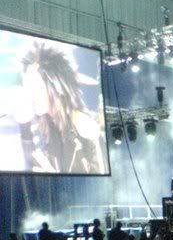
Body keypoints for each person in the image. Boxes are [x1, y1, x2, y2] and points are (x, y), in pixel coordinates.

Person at [13, 43, 108, 174]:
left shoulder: (85, 127)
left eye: (35, 85)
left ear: (55, 85)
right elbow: (31, 174)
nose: (31, 93)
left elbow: (103, 180)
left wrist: (56, 180)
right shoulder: (42, 128)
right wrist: (25, 129)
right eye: (28, 86)